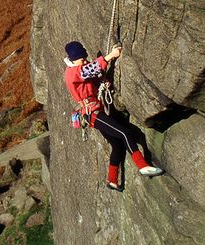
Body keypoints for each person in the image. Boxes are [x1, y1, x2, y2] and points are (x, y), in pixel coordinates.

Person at [63, 40, 163, 190]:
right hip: (92, 113)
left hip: (95, 111)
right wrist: (111, 56)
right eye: (81, 59)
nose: (84, 61)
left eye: (84, 59)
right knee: (125, 132)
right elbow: (89, 70)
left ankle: (112, 180)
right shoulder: (72, 72)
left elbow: (91, 77)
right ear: (72, 59)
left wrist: (103, 82)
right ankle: (143, 166)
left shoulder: (79, 70)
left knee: (117, 145)